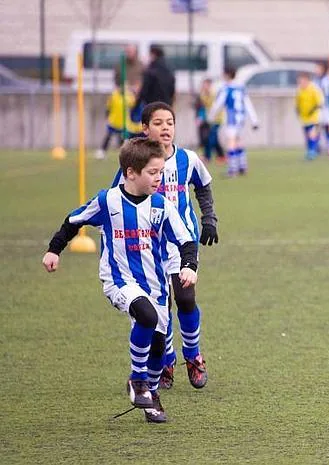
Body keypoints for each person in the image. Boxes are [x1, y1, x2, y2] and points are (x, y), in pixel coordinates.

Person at [42, 138, 198, 423]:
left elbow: (186, 240)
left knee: (160, 347)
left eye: (161, 172)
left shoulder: (161, 206)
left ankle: (150, 394)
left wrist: (189, 265)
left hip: (157, 286)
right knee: (146, 317)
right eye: (152, 172)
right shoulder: (108, 201)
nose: (158, 178)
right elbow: (74, 221)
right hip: (119, 280)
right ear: (130, 172)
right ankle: (137, 381)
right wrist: (54, 249)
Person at [112, 102, 218, 392]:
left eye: (170, 122)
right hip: (149, 246)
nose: (166, 128)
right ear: (145, 129)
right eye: (158, 123)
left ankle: (193, 356)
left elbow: (204, 186)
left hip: (182, 242)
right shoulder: (135, 165)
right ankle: (167, 359)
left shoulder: (188, 158)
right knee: (161, 307)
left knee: (185, 298)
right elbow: (115, 199)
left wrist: (209, 219)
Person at [209, 68, 259, 177]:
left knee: (231, 142)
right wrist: (254, 120)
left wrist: (211, 116)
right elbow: (248, 104)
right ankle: (242, 166)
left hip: (232, 118)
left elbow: (219, 103)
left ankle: (232, 169)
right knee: (238, 141)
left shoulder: (226, 89)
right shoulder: (240, 88)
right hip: (241, 118)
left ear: (227, 75)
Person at [95, 84, 142, 160]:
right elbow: (109, 106)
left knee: (123, 138)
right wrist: (107, 115)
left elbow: (134, 105)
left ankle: (125, 153)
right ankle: (102, 151)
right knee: (108, 136)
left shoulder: (129, 95)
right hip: (114, 121)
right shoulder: (114, 95)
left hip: (124, 122)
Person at [134, 45, 175, 110]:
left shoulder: (151, 70)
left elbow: (144, 91)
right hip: (166, 106)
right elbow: (172, 91)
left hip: (152, 106)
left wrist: (136, 105)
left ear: (153, 54)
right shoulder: (169, 70)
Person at [195, 78, 225, 164]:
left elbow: (218, 107)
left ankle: (207, 157)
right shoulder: (202, 95)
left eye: (206, 85)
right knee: (214, 139)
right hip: (209, 119)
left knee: (210, 138)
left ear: (210, 85)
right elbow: (202, 108)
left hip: (217, 119)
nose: (204, 87)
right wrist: (200, 118)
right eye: (203, 85)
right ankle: (221, 156)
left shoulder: (214, 94)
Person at [295, 72, 323, 160]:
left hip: (313, 116)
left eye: (302, 81)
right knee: (307, 135)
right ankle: (314, 148)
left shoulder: (313, 89)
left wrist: (313, 109)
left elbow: (320, 102)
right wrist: (297, 110)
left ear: (307, 80)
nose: (301, 83)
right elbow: (297, 102)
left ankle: (312, 151)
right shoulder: (299, 90)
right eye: (300, 82)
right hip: (304, 117)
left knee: (311, 134)